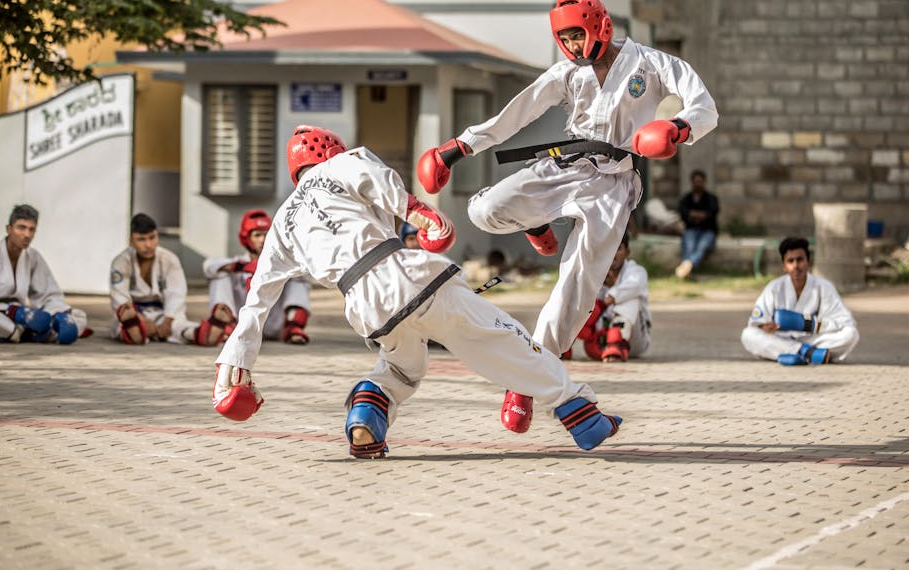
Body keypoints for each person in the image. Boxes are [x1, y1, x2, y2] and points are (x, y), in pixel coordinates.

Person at [212, 125, 622, 458]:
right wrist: (417, 211)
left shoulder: (283, 220)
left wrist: (235, 370)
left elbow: (257, 301)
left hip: (363, 305)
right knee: (499, 335)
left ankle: (366, 417)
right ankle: (580, 412)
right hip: (401, 272)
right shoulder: (343, 163)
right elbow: (373, 178)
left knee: (403, 367)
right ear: (329, 152)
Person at [417, 0, 717, 433]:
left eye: (578, 35)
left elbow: (704, 105)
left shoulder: (651, 64)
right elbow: (516, 113)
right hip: (566, 166)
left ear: (601, 26)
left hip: (614, 185)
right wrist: (458, 147)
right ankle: (535, 221)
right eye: (565, 38)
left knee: (575, 289)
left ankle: (526, 375)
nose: (574, 46)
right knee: (485, 209)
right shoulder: (567, 74)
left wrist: (678, 127)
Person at [741, 236, 859, 365]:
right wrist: (765, 327)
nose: (796, 266)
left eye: (800, 260)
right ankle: (807, 353)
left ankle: (793, 353)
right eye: (790, 261)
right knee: (748, 335)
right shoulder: (774, 288)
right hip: (781, 338)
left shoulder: (824, 287)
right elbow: (755, 322)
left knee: (850, 334)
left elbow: (846, 321)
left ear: (809, 262)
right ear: (784, 266)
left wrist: (812, 325)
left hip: (812, 339)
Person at [201, 209, 312, 346]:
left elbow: (307, 270)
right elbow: (208, 266)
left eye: (266, 234)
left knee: (298, 278)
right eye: (257, 235)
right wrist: (243, 267)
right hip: (240, 325)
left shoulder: (282, 263)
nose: (263, 239)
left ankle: (294, 326)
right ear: (246, 238)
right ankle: (224, 324)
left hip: (273, 326)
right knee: (220, 275)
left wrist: (276, 269)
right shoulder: (237, 263)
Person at [0, 204, 90, 344]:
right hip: (2, 314)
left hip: (22, 316)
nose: (27, 235)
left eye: (31, 229)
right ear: (8, 229)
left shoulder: (33, 257)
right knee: (9, 324)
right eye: (21, 228)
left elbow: (49, 294)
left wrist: (59, 315)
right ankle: (29, 332)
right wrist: (9, 311)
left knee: (77, 317)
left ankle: (29, 331)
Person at [109, 213, 205, 345]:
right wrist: (141, 320)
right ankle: (135, 330)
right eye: (141, 239)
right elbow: (120, 298)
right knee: (124, 324)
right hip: (134, 314)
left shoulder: (169, 259)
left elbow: (176, 293)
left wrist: (167, 322)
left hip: (162, 314)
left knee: (178, 326)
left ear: (157, 236)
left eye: (152, 237)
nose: (148, 244)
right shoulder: (121, 262)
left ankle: (198, 333)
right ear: (131, 240)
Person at [570, 232, 650, 362]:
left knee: (631, 298)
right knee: (579, 300)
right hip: (600, 340)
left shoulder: (636, 271)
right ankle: (562, 346)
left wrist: (605, 302)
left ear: (627, 252)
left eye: (617, 249)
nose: (612, 253)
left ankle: (617, 344)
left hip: (634, 342)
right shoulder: (595, 274)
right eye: (609, 248)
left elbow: (635, 286)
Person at [675, 169, 719, 279]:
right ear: (692, 182)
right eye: (696, 181)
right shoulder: (686, 198)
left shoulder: (711, 198)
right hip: (691, 229)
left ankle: (686, 267)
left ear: (704, 182)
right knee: (689, 247)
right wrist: (700, 214)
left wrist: (693, 214)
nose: (698, 183)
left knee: (702, 247)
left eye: (700, 181)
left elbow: (711, 213)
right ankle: (688, 270)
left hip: (708, 230)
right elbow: (684, 213)